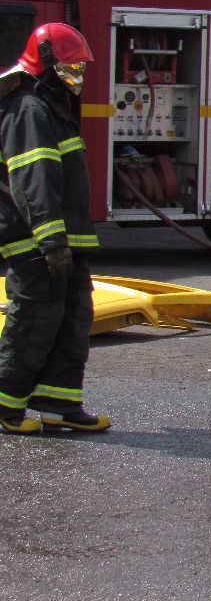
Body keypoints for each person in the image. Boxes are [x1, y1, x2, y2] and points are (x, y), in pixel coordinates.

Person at [0, 23, 107, 434]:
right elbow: (34, 178)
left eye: (80, 69)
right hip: (38, 239)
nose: (76, 77)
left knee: (73, 318)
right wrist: (50, 239)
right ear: (44, 63)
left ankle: (59, 404)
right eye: (69, 68)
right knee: (35, 320)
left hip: (67, 237)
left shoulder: (52, 104)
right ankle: (5, 405)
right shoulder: (28, 108)